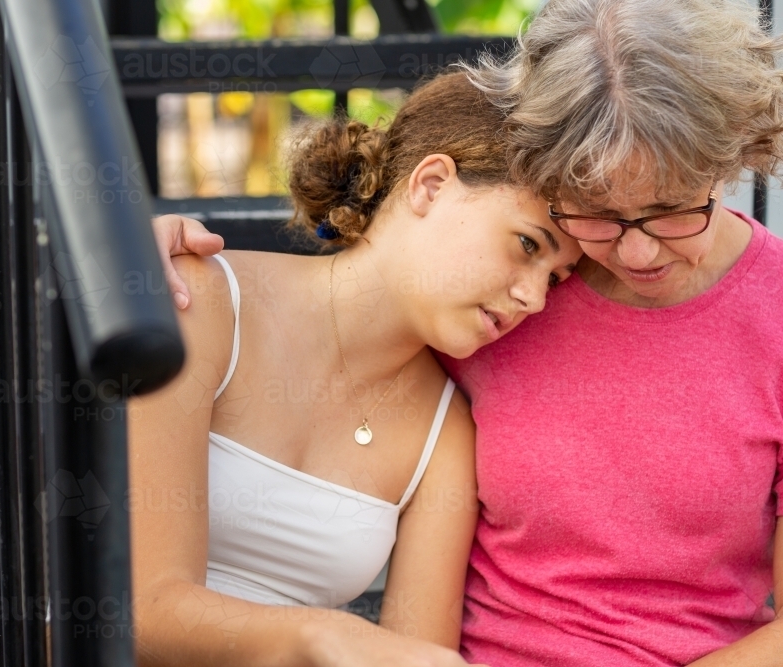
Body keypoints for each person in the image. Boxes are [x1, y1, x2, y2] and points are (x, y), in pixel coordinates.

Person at [152, 0, 783, 665]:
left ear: (730, 161)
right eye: (598, 214)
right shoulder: (478, 315)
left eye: (673, 210)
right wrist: (132, 261)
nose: (637, 254)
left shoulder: (763, 312)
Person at [128, 72, 581, 667]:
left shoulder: (445, 434)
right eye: (528, 245)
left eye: (555, 277)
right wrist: (324, 637)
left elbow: (421, 659)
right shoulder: (201, 299)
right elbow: (141, 610)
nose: (535, 299)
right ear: (432, 184)